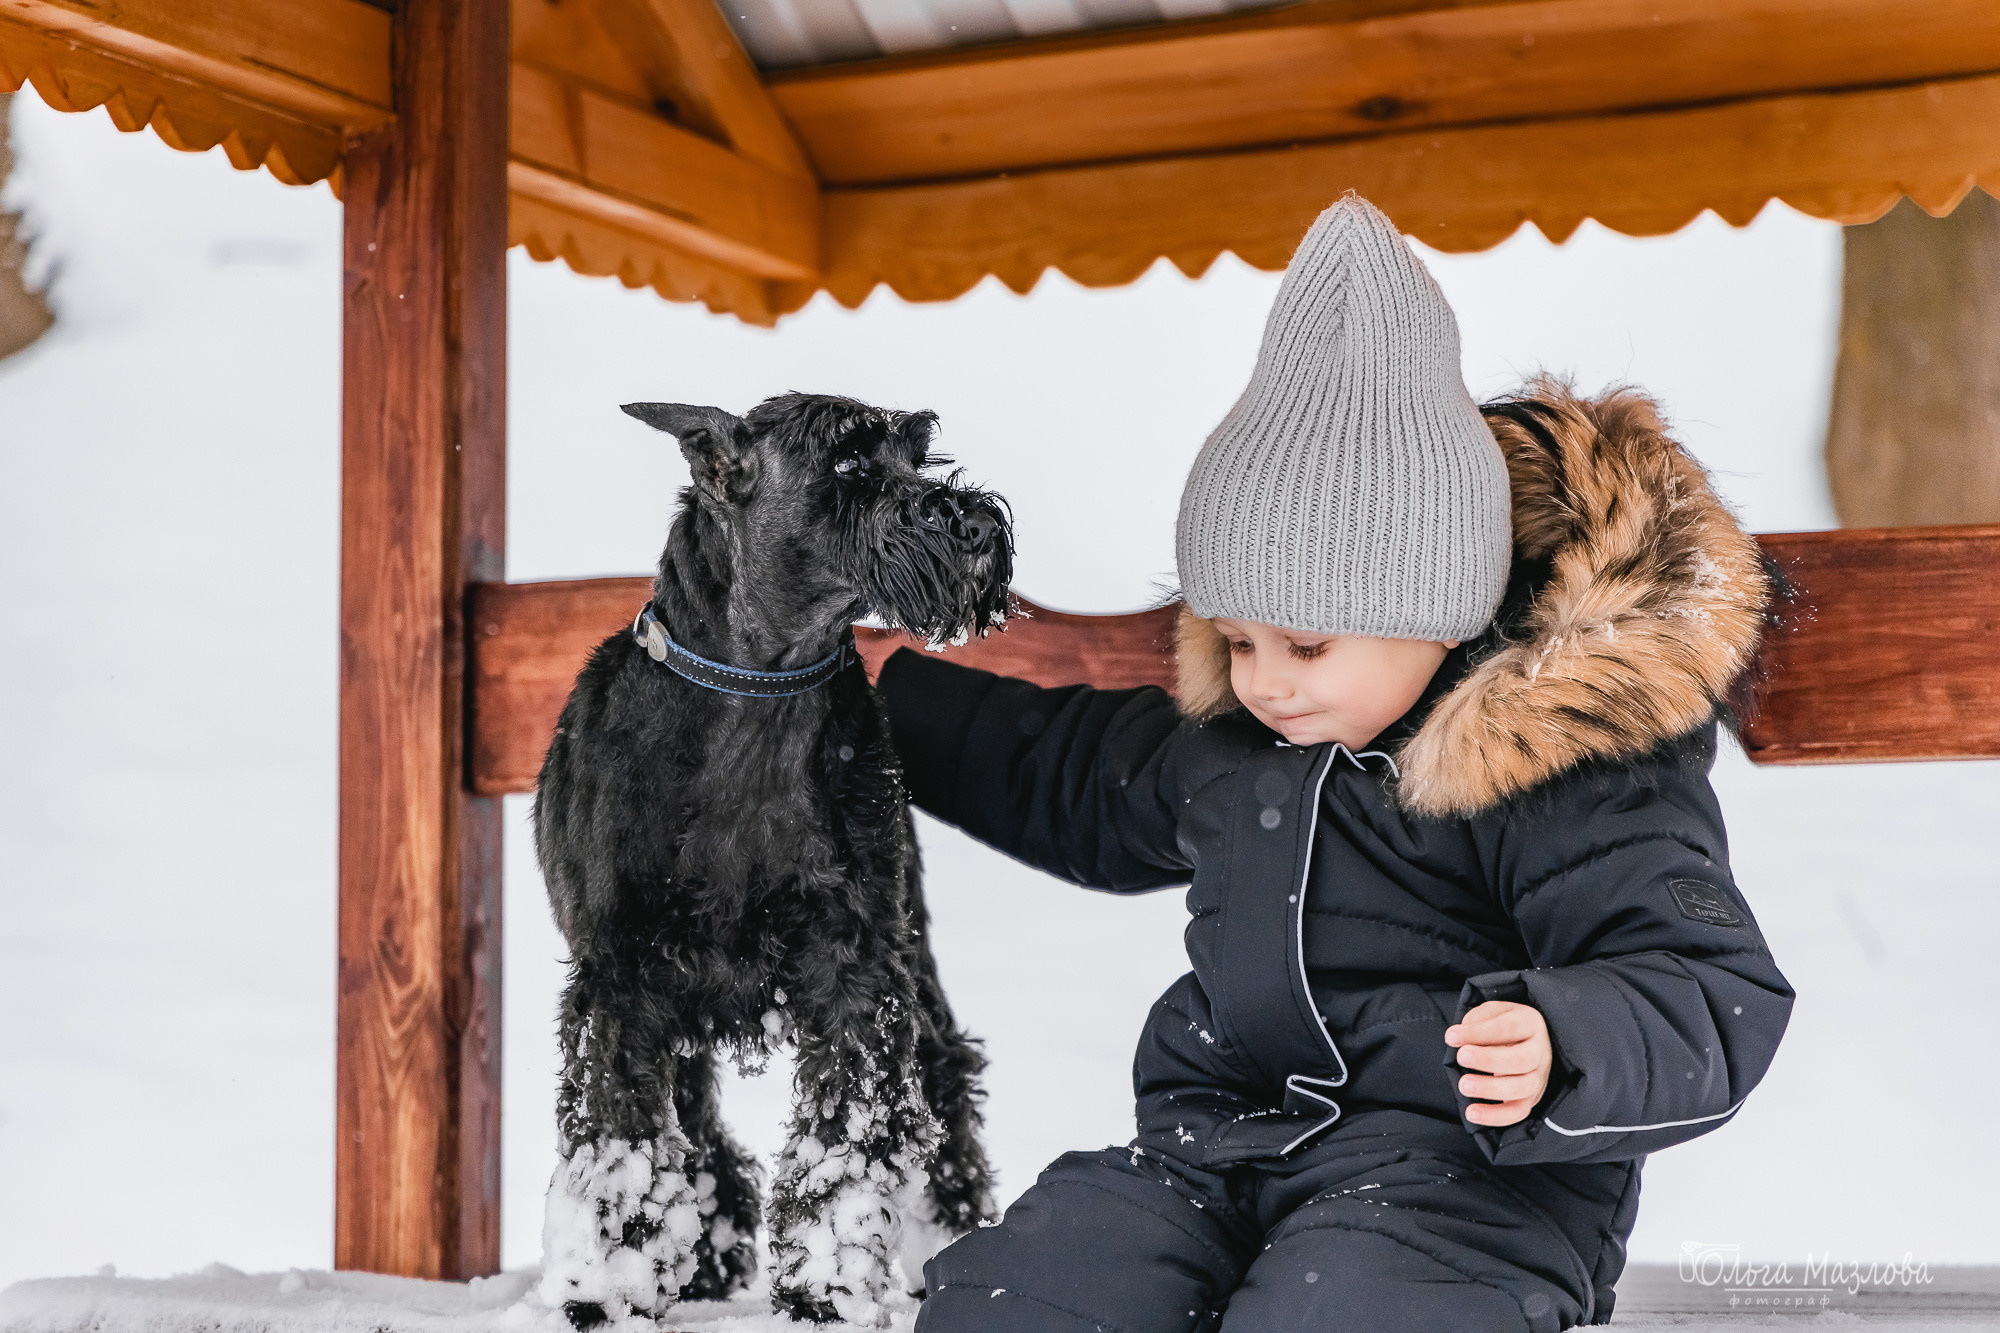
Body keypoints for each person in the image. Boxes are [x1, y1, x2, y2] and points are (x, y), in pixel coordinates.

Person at [872, 193, 1797, 1332]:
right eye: (1235, 640)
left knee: (1341, 1315)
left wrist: (1563, 1042)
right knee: (1031, 1289)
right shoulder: (1241, 741)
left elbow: (1709, 985)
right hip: (1217, 1147)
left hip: (1464, 1193)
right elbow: (1063, 776)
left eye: (1306, 644)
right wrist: (875, 705)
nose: (1265, 680)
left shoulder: (1563, 765)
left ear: (1438, 608)